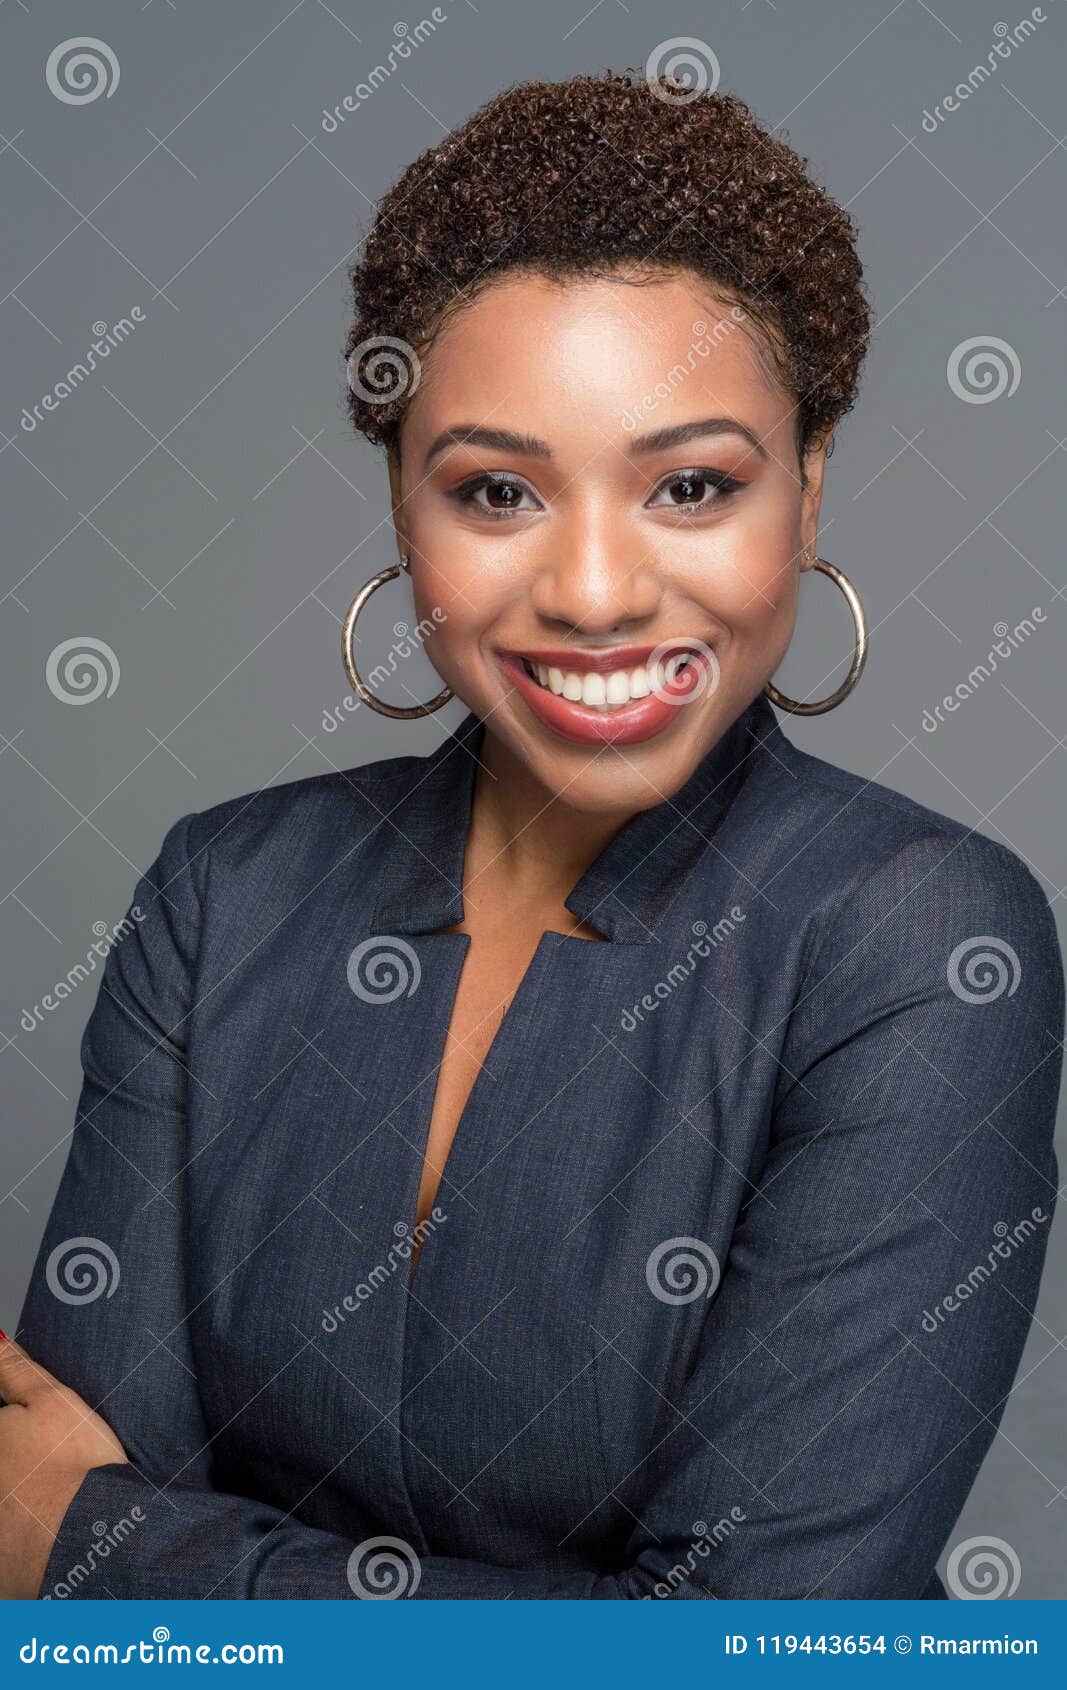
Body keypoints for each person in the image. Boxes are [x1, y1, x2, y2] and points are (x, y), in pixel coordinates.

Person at [3, 69, 1062, 1601]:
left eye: (691, 485)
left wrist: (102, 1548)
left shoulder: (921, 937)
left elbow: (741, 1645)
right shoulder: (223, 893)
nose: (590, 590)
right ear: (399, 500)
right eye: (497, 489)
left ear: (812, 487)